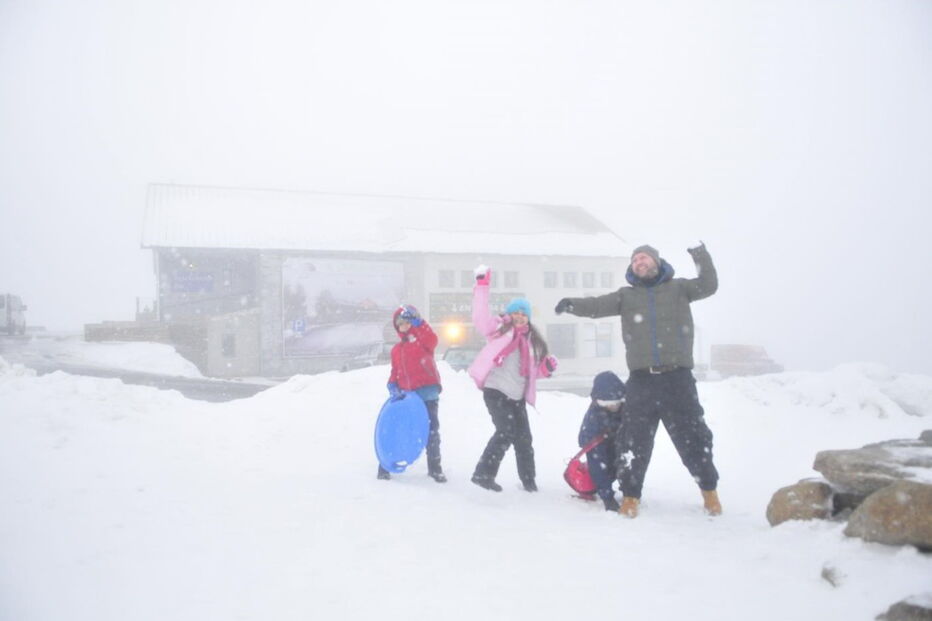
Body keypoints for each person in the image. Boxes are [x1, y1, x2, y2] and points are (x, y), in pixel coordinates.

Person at [554, 243, 722, 518]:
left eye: (643, 257)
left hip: (678, 379)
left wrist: (700, 255)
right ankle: (631, 496)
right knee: (633, 442)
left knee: (693, 438)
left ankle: (709, 491)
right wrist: (573, 304)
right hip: (642, 381)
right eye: (634, 260)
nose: (638, 261)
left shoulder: (679, 289)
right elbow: (598, 305)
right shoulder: (626, 296)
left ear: (656, 261)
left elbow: (708, 284)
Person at [468, 266, 558, 492]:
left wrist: (545, 370)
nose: (520, 316)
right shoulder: (498, 329)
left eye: (524, 313)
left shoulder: (531, 341)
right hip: (496, 390)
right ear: (510, 314)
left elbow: (529, 372)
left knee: (524, 440)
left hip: (516, 396)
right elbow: (479, 317)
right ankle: (483, 475)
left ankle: (529, 482)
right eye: (516, 312)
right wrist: (482, 286)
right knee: (505, 431)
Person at [378, 304, 446, 483]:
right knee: (398, 430)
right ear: (397, 327)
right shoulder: (396, 350)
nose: (405, 326)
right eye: (400, 323)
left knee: (432, 432)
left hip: (427, 393)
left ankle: (435, 468)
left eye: (408, 322)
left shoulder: (424, 342)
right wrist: (392, 383)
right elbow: (396, 370)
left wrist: (420, 323)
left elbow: (432, 339)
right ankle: (385, 465)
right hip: (406, 398)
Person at [578, 371, 626, 512]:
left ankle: (629, 491)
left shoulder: (625, 408)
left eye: (616, 403)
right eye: (608, 403)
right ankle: (601, 488)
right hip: (600, 448)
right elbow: (597, 462)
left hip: (616, 445)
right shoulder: (594, 419)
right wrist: (607, 497)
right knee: (600, 466)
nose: (613, 407)